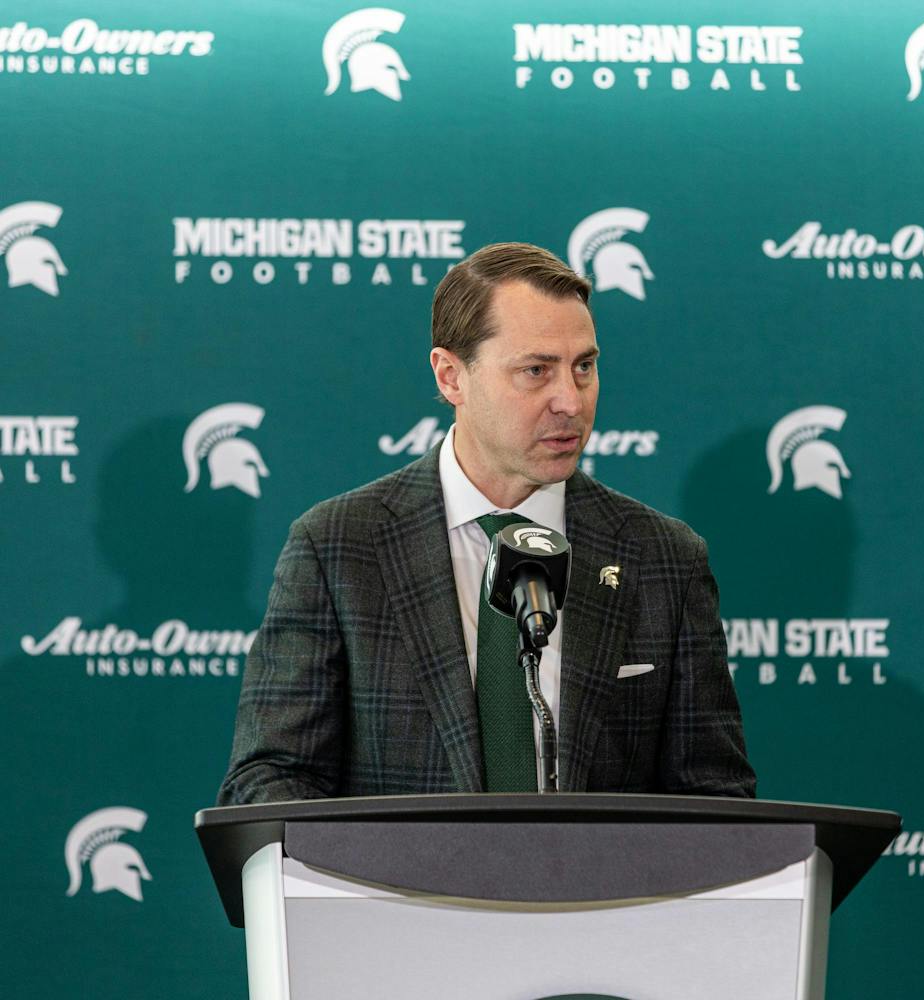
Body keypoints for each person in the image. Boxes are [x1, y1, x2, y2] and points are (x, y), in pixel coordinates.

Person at [218, 242, 755, 803]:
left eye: (584, 367)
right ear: (452, 377)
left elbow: (714, 797)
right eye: (536, 371)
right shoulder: (337, 548)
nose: (570, 401)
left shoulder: (664, 557)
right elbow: (270, 779)